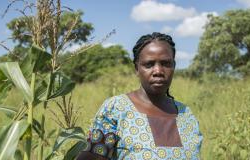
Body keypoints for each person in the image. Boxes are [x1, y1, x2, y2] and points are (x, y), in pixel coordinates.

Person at [77, 32, 203, 160]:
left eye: (166, 63)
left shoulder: (186, 115)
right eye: (149, 64)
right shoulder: (116, 109)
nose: (158, 71)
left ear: (174, 66)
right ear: (137, 68)